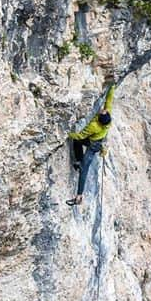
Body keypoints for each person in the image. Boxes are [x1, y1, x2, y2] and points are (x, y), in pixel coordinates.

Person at [66, 78, 116, 206]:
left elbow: (79, 135)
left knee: (84, 168)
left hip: (93, 145)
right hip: (98, 142)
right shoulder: (107, 119)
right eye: (104, 110)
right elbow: (109, 100)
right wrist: (112, 85)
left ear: (99, 119)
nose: (103, 109)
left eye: (102, 112)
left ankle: (79, 196)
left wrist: (66, 134)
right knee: (78, 145)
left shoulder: (94, 125)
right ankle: (78, 161)